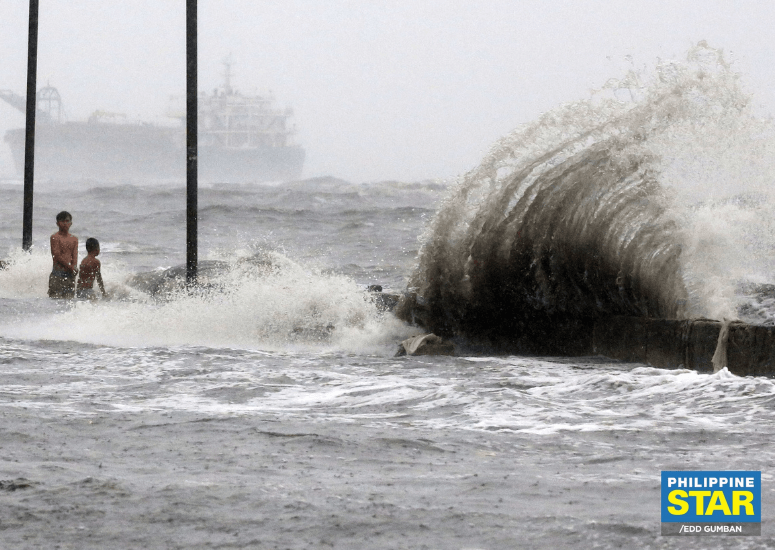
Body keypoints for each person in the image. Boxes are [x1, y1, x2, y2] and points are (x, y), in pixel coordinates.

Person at [49, 211, 78, 299]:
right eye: (62, 221)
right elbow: (56, 255)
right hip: (57, 275)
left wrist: (74, 266)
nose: (65, 224)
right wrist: (70, 267)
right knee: (55, 301)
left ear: (71, 223)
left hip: (69, 276)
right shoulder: (55, 237)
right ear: (57, 223)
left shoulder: (74, 239)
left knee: (70, 301)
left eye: (67, 221)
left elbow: (74, 255)